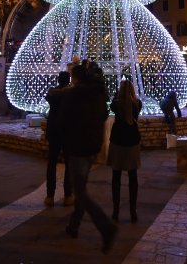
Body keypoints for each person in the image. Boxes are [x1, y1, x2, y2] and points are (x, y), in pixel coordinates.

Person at [58, 64, 117, 254]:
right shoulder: (99, 93)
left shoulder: (73, 95)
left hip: (78, 147)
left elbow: (64, 120)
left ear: (75, 78)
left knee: (80, 191)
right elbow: (103, 116)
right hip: (93, 145)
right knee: (80, 186)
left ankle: (106, 227)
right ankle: (74, 225)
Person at [107, 79, 142, 223]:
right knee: (133, 176)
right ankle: (133, 211)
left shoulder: (116, 104)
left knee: (116, 176)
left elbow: (113, 103)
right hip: (132, 141)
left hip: (118, 141)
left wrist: (117, 93)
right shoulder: (138, 104)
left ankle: (116, 210)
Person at [44, 70, 73, 207]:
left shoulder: (52, 93)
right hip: (67, 131)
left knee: (51, 163)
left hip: (53, 129)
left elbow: (47, 98)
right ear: (68, 80)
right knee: (69, 164)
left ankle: (50, 195)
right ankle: (68, 195)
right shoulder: (71, 94)